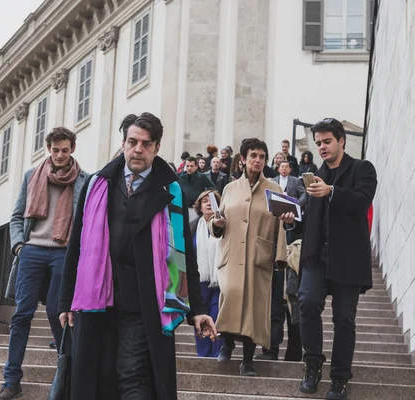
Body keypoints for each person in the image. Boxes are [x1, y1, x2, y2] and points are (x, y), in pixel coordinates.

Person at [58, 113, 217, 400]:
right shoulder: (97, 185)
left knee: (133, 377)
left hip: (143, 304)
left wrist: (198, 308)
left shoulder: (171, 192)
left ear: (156, 148)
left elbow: (183, 256)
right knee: (100, 380)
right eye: (132, 142)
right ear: (123, 144)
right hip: (97, 302)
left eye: (146, 144)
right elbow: (76, 246)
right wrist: (65, 299)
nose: (137, 149)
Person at [0, 127, 88, 399]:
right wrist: (19, 247)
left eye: (65, 150)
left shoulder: (84, 180)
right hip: (33, 251)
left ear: (72, 148)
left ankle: (68, 376)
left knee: (57, 313)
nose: (60, 155)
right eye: (55, 150)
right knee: (22, 314)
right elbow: (16, 216)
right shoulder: (31, 176)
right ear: (49, 149)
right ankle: (11, 380)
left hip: (64, 252)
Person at [297, 118, 377, 400]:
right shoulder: (314, 175)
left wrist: (331, 191)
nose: (321, 147)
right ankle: (313, 365)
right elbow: (306, 217)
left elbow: (362, 200)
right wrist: (289, 217)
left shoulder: (362, 169)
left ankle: (340, 378)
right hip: (316, 256)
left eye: (327, 141)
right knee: (306, 302)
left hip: (348, 258)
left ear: (341, 140)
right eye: (318, 142)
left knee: (344, 319)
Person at [209, 138, 294, 377]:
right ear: (243, 159)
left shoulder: (275, 190)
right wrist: (215, 224)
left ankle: (247, 360)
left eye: (262, 156)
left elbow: (282, 224)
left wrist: (279, 256)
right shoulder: (229, 189)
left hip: (259, 258)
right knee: (231, 297)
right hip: (232, 254)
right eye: (253, 155)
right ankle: (226, 343)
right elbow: (217, 222)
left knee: (255, 309)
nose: (258, 160)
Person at [256, 160, 306, 362]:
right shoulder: (269, 193)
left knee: (294, 304)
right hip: (274, 257)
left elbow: (304, 211)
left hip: (294, 256)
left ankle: (294, 353)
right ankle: (270, 349)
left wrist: (293, 210)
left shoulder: (298, 186)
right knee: (274, 305)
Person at [190, 190, 224, 358]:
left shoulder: (224, 225)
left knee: (217, 315)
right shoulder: (193, 226)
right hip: (199, 282)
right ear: (199, 206)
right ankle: (203, 354)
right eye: (204, 201)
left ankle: (218, 351)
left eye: (212, 201)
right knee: (202, 318)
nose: (209, 203)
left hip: (220, 280)